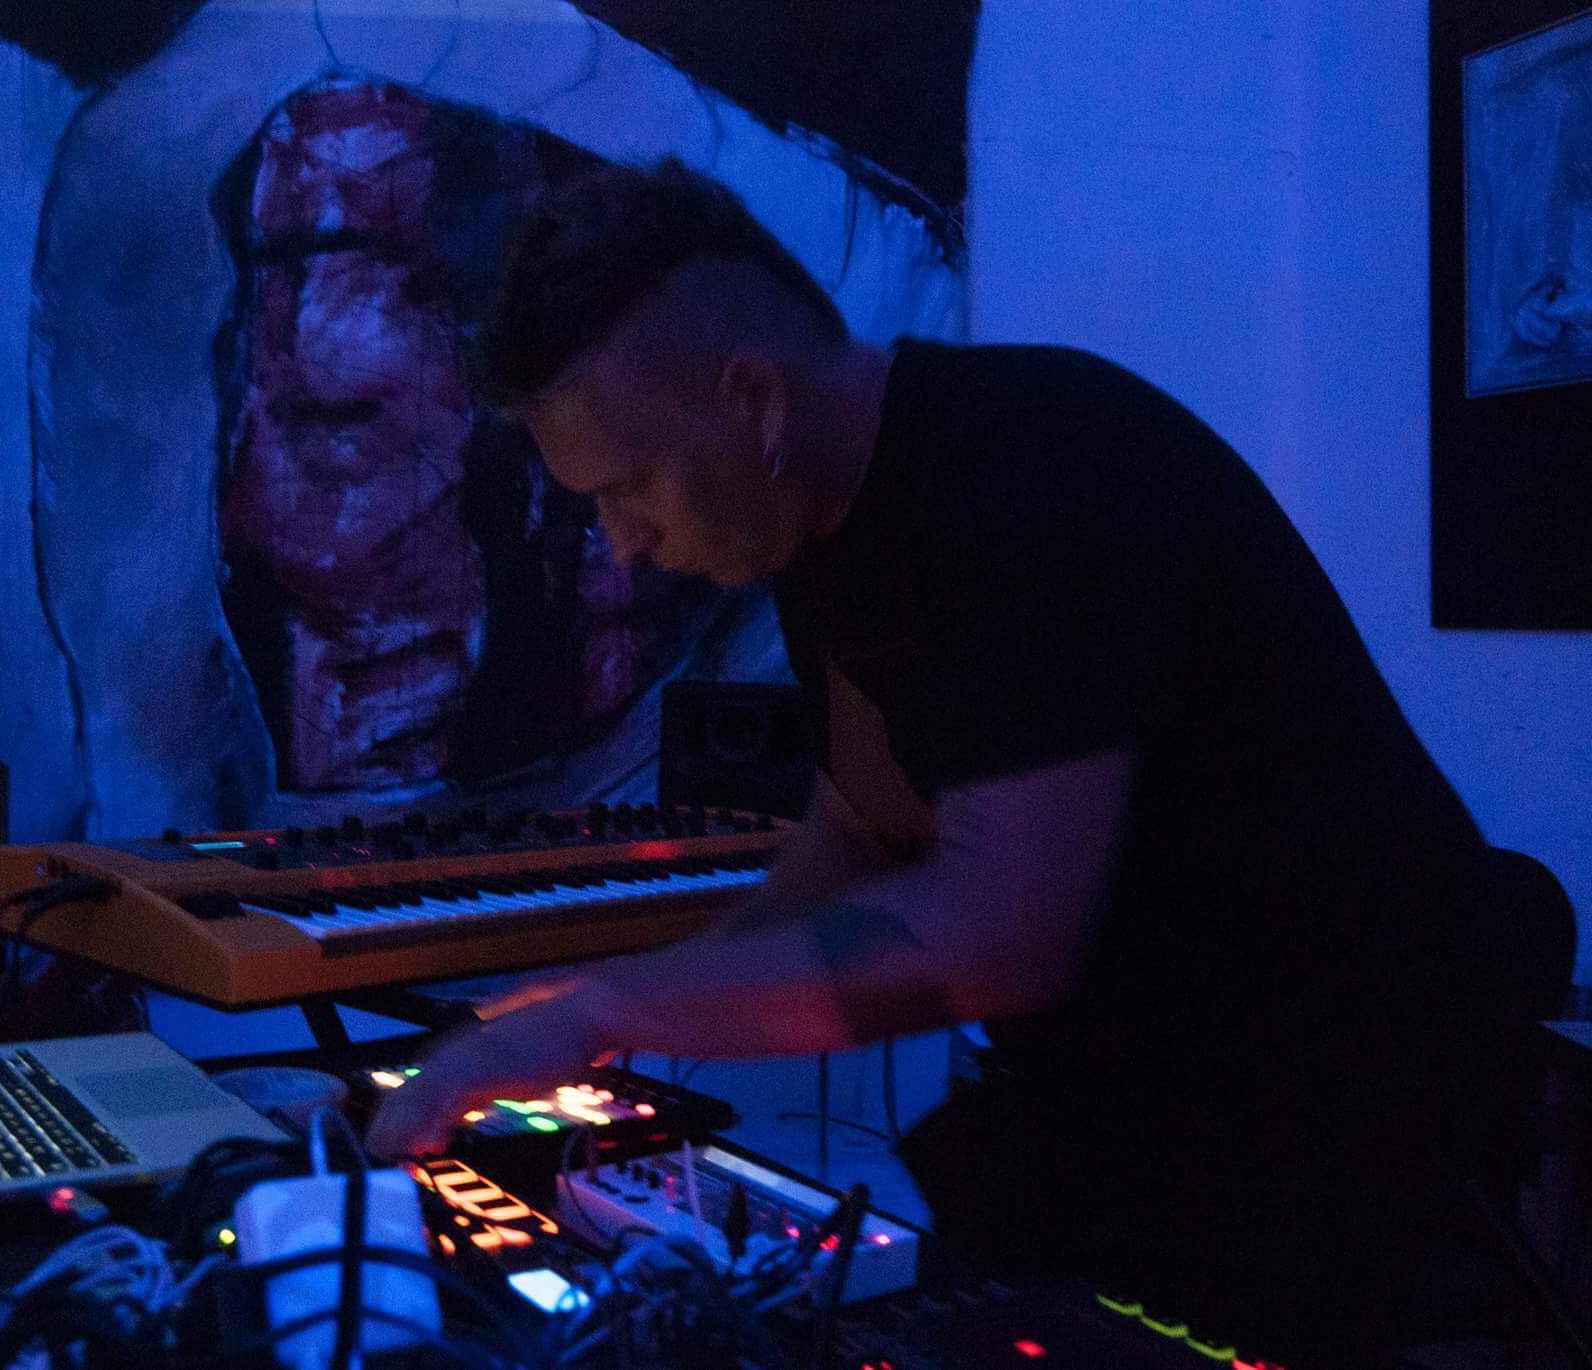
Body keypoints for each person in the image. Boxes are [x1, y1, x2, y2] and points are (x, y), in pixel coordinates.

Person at [365, 159, 1542, 1360]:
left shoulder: (1037, 469)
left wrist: (604, 1009)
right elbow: (855, 834)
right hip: (1143, 1089)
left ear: (752, 401)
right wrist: (613, 1006)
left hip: (1337, 1089)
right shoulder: (824, 523)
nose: (620, 543)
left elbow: (999, 930)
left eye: (626, 487)